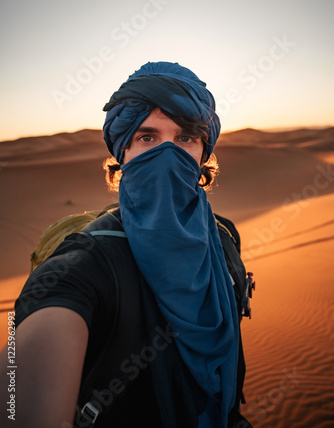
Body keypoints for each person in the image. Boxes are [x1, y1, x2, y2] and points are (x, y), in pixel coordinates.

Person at [0, 61, 252, 428]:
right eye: (147, 137)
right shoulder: (84, 266)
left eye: (185, 138)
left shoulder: (223, 236)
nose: (168, 154)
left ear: (202, 153)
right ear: (123, 152)